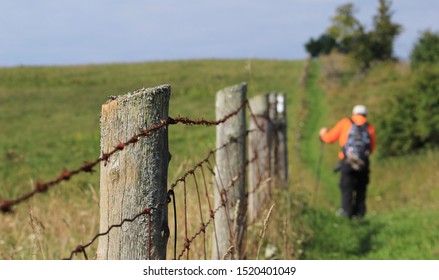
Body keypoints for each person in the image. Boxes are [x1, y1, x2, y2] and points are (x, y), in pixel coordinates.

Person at [319, 105, 376, 219]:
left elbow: (330, 138)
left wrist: (323, 134)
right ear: (365, 114)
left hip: (347, 162)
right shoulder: (369, 127)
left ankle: (347, 212)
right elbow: (372, 147)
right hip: (363, 163)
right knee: (361, 188)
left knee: (347, 188)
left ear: (353, 113)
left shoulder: (346, 123)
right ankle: (359, 214)